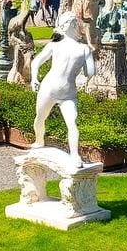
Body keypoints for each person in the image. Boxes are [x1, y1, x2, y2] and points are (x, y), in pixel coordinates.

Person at [30, 11, 95, 166]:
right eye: (76, 24)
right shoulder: (84, 49)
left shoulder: (55, 45)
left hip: (50, 88)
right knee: (71, 123)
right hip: (67, 91)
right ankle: (74, 155)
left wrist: (34, 78)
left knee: (41, 118)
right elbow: (90, 72)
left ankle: (40, 140)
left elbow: (36, 62)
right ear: (72, 26)